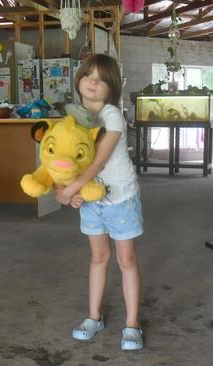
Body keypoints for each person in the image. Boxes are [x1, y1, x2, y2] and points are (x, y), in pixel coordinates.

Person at [55, 54, 144, 351]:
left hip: (121, 198)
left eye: (102, 78)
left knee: (126, 260)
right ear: (78, 78)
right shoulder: (71, 118)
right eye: (89, 74)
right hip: (92, 199)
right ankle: (94, 317)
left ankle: (132, 324)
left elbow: (95, 163)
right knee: (98, 258)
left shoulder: (112, 116)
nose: (94, 81)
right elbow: (61, 160)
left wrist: (69, 192)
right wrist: (64, 188)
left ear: (112, 88)